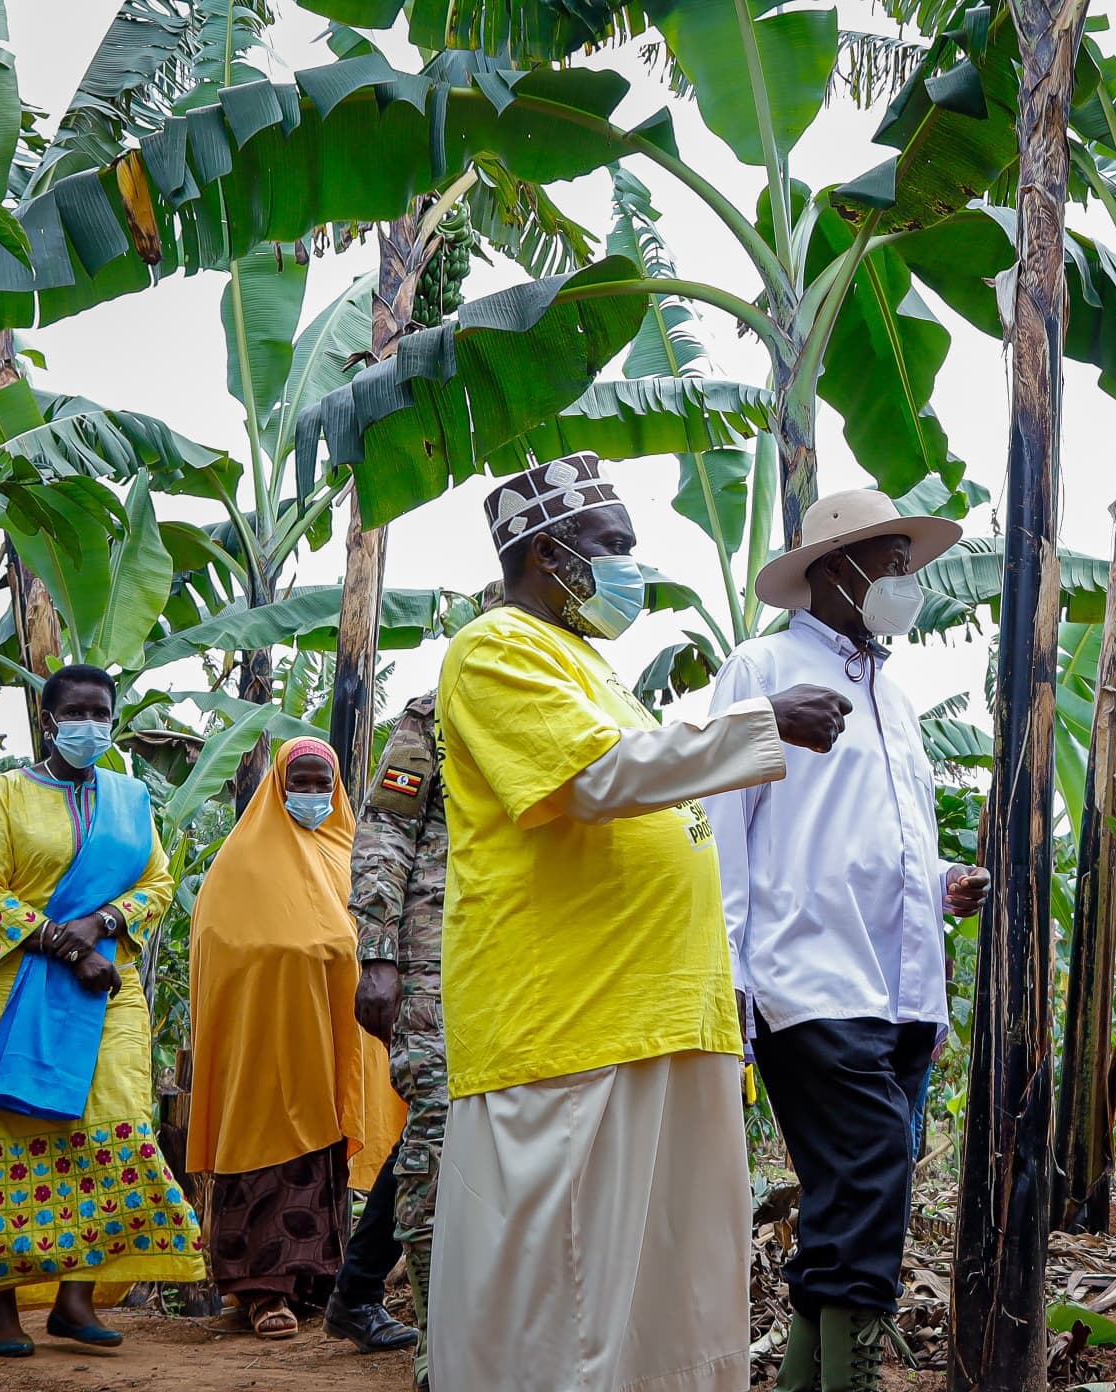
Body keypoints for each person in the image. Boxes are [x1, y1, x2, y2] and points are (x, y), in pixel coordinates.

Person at [427, 453, 847, 1392]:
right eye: (611, 544)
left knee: (673, 1288)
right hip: (570, 1023)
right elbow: (593, 778)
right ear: (545, 554)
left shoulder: (591, 666)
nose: (630, 565)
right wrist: (760, 722)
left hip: (661, 1018)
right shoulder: (496, 648)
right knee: (566, 1295)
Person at [704, 487, 988, 1392]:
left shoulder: (892, 696)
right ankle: (851, 1377)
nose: (905, 580)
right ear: (835, 571)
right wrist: (732, 974)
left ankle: (803, 1381)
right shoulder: (762, 668)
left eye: (909, 563)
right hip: (807, 976)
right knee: (873, 1175)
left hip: (900, 987)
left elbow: (884, 835)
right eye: (891, 563)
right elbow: (725, 825)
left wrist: (944, 888)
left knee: (847, 1193)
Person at [0, 665, 204, 1357]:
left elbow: (157, 880)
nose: (90, 725)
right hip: (16, 993)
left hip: (109, 993)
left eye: (101, 712)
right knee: (6, 1139)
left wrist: (104, 922)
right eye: (76, 712)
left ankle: (78, 1298)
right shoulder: (3, 795)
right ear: (49, 720)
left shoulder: (131, 799)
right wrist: (69, 948)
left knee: (112, 1131)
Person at [187, 736, 408, 1341]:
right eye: (299, 782)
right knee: (265, 1153)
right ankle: (262, 1293)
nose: (310, 795)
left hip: (330, 1041)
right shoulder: (243, 862)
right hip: (261, 1043)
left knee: (322, 1157)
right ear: (276, 787)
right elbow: (220, 946)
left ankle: (314, 1284)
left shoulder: (349, 853)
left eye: (321, 784)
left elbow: (368, 937)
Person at [331, 689, 449, 1384]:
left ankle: (357, 1287)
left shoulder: (574, 693)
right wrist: (377, 955)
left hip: (535, 969)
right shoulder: (436, 713)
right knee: (437, 1133)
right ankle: (442, 1346)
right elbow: (385, 829)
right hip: (438, 960)